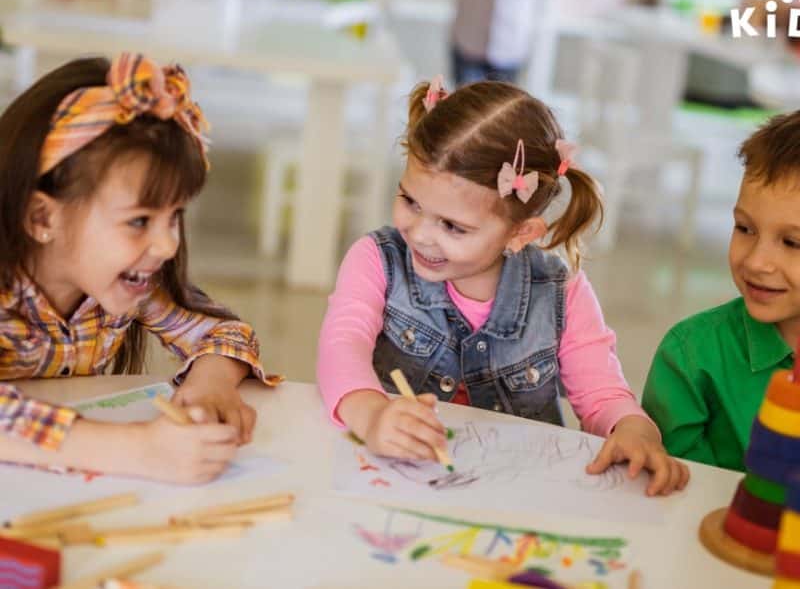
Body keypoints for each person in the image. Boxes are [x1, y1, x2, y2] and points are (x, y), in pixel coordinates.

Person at [318, 78, 689, 496]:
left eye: (453, 226)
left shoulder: (560, 292)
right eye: (410, 201)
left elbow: (601, 394)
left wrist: (633, 428)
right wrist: (371, 415)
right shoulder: (377, 259)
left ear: (521, 232)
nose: (420, 234)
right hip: (392, 483)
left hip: (515, 497)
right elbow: (341, 346)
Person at [0, 53, 279, 484]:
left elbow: (224, 332)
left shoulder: (130, 285)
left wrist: (210, 383)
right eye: (139, 221)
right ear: (42, 218)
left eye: (175, 217)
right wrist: (139, 450)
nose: (168, 245)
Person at [644, 111, 800, 472]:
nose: (757, 262)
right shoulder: (689, 356)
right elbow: (673, 493)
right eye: (745, 228)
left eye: (792, 242)